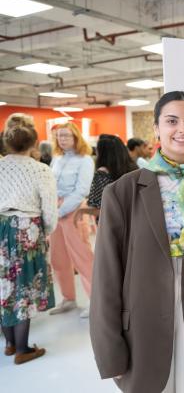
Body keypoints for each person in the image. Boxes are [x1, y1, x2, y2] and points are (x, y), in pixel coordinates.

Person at [90, 91, 184, 393]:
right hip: (144, 322)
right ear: (156, 128)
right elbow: (106, 278)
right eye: (172, 121)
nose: (182, 130)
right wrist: (110, 351)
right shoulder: (122, 193)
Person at [0, 113, 57, 364]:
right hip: (27, 229)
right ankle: (23, 349)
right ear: (34, 143)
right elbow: (50, 209)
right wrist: (46, 231)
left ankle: (10, 344)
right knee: (23, 287)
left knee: (5, 286)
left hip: (1, 226)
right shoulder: (40, 169)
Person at [49, 122, 95, 318]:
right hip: (55, 211)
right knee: (57, 258)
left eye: (67, 135)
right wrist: (52, 210)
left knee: (82, 257)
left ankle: (96, 300)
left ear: (76, 137)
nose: (63, 139)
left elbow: (82, 190)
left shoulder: (85, 160)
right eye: (60, 136)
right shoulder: (57, 159)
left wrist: (61, 210)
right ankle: (68, 298)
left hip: (74, 212)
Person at [74, 134, 137, 223]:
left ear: (102, 153)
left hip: (112, 226)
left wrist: (81, 210)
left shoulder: (103, 173)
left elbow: (100, 209)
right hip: (133, 222)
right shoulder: (133, 168)